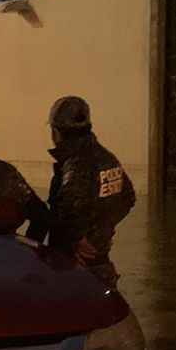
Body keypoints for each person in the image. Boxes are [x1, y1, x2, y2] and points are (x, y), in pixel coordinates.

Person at [46, 95, 135, 289]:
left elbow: (70, 205)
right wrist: (104, 229)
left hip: (74, 262)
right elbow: (128, 197)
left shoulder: (76, 163)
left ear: (56, 131)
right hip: (100, 258)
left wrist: (78, 238)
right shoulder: (107, 158)